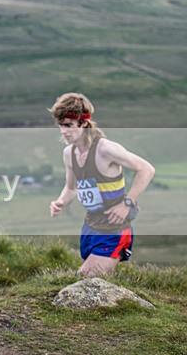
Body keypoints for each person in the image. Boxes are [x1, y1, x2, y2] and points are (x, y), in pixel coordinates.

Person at [49, 92, 155, 277]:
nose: (63, 131)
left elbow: (146, 169)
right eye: (60, 126)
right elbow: (72, 188)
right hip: (90, 226)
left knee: (85, 280)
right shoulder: (69, 153)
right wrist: (60, 202)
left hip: (114, 229)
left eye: (68, 125)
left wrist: (127, 203)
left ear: (83, 123)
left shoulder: (106, 149)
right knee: (87, 279)